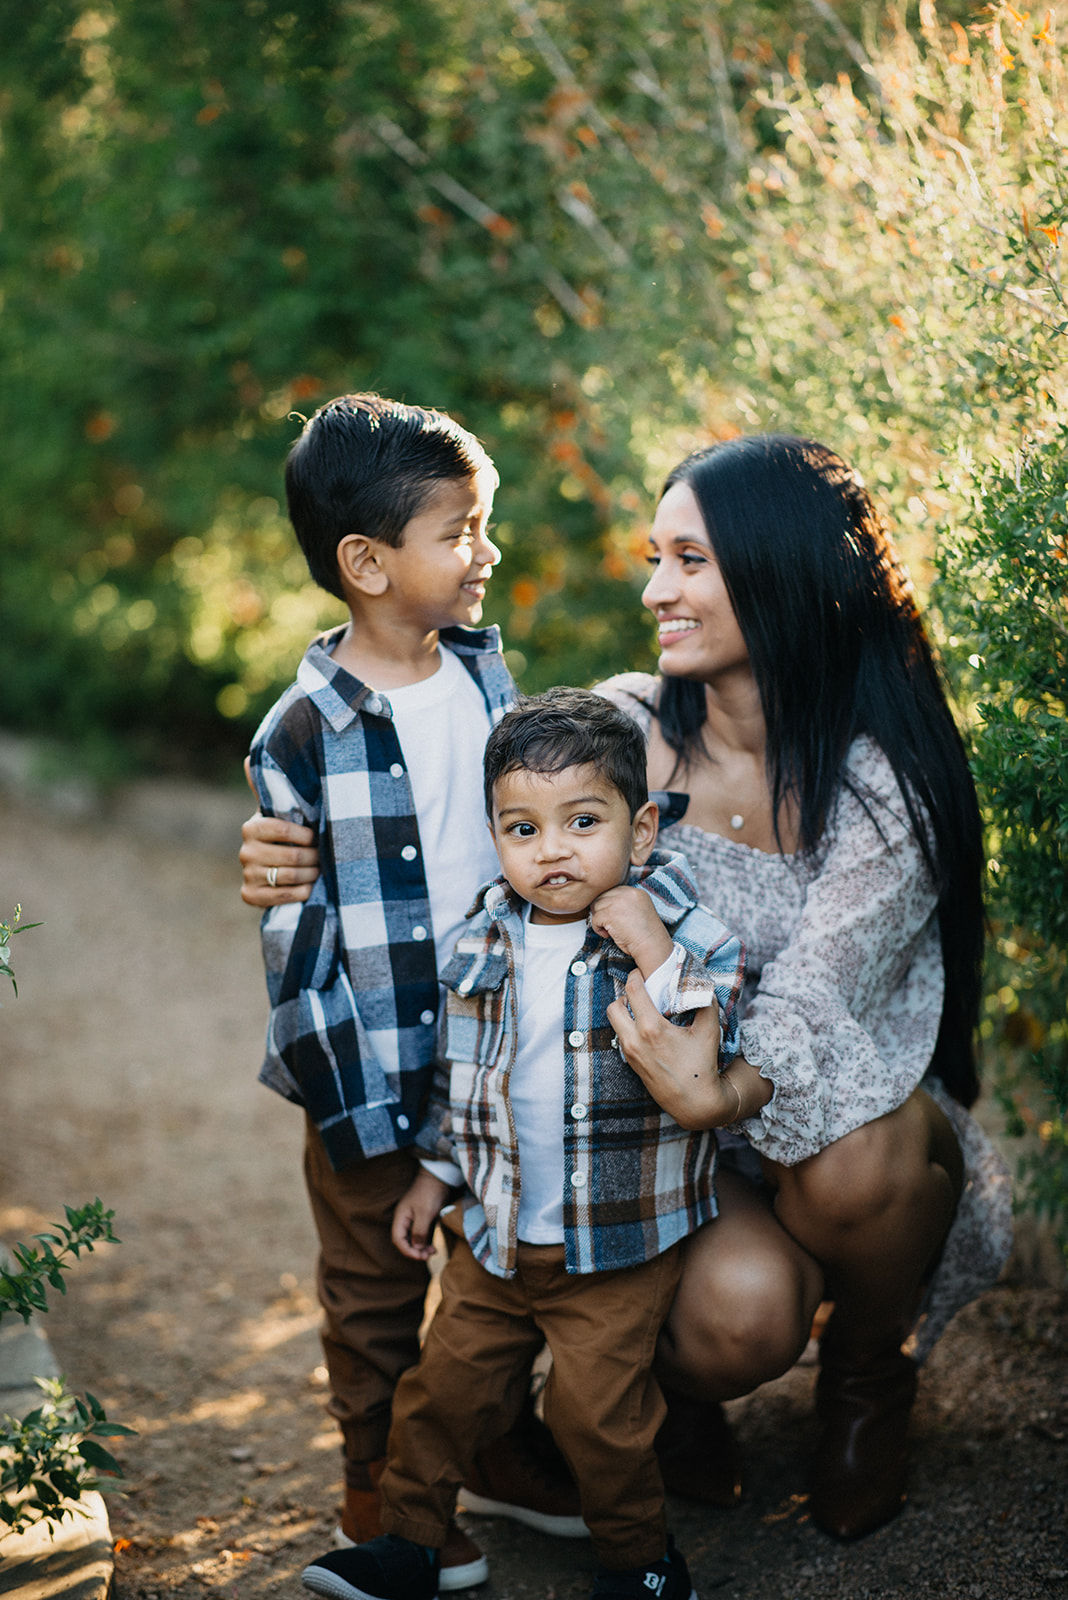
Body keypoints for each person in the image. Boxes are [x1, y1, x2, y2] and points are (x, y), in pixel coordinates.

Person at [241, 433, 1013, 1545]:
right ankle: (666, 1404)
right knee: (731, 1317)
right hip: (673, 1147)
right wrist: (283, 852)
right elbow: (476, 830)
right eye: (657, 558)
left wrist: (719, 1093)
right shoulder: (629, 733)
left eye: (689, 562)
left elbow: (812, 1002)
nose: (655, 589)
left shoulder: (881, 775)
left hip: (823, 1120)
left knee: (858, 1158)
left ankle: (866, 1377)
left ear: (785, 570)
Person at [299, 688, 745, 1600]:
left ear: (642, 828)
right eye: (523, 827)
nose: (553, 850)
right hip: (498, 1238)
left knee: (598, 1420)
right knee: (439, 1396)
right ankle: (411, 1543)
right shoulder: (482, 937)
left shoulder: (673, 926)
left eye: (583, 821)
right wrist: (433, 1173)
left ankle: (643, 1563)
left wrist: (656, 950)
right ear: (497, 836)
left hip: (617, 1246)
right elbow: (461, 1075)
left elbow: (720, 1036)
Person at [247, 393, 579, 1593]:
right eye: (463, 531)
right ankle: (379, 1492)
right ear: (368, 563)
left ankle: (493, 1445)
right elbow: (296, 934)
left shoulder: (494, 687)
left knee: (509, 1265)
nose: (487, 552)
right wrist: (349, 1102)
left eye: (483, 525)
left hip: (492, 1050)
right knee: (375, 1292)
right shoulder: (302, 731)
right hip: (368, 1061)